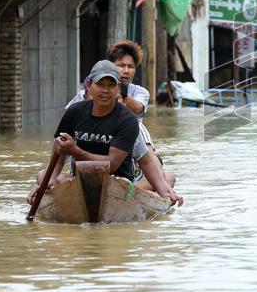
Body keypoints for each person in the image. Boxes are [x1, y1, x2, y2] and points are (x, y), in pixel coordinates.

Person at [30, 61, 180, 204]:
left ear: (118, 88)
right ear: (89, 85)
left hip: (118, 185)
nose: (105, 90)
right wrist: (45, 185)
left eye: (111, 85)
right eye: (100, 84)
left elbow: (112, 164)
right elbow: (59, 151)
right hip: (80, 181)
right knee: (42, 175)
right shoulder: (74, 112)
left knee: (158, 181)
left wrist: (165, 193)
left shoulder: (127, 121)